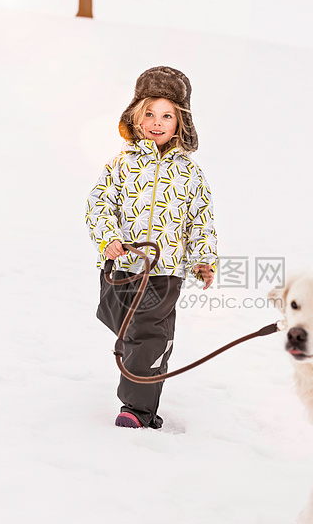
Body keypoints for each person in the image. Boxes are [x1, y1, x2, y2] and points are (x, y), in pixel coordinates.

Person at [85, 66, 218, 429]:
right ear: (136, 115)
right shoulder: (120, 165)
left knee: (150, 335)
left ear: (180, 123)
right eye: (149, 114)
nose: (157, 123)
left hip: (164, 273)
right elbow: (98, 205)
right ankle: (138, 355)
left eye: (167, 116)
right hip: (122, 267)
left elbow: (200, 220)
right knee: (125, 326)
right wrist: (108, 239)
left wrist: (204, 260)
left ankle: (137, 410)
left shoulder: (190, 174)